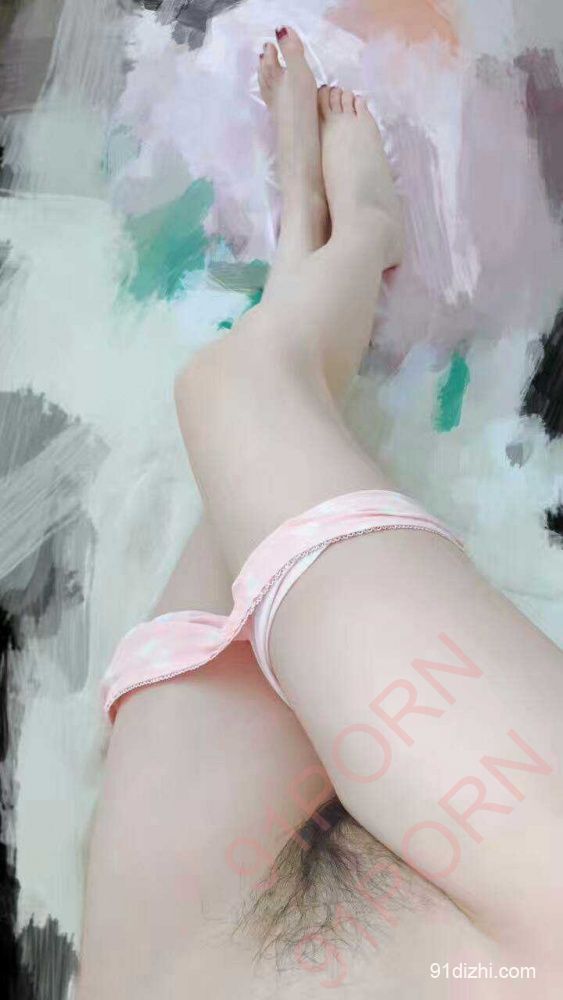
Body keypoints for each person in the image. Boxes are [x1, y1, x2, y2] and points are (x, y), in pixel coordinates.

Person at [78, 28, 563, 998]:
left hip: (178, 969)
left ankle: (305, 259)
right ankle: (358, 238)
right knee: (235, 397)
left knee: (249, 460)